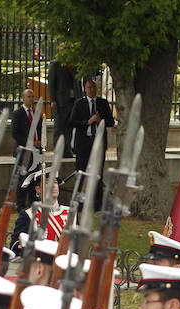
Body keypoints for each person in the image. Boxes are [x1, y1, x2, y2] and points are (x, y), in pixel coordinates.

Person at [70, 78, 114, 208]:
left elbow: (111, 122)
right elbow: (72, 121)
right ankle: (80, 204)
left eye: (94, 87)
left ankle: (97, 204)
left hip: (98, 143)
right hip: (83, 144)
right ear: (85, 89)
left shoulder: (103, 103)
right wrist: (87, 122)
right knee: (82, 174)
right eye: (89, 87)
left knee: (98, 175)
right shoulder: (79, 104)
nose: (92, 90)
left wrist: (101, 121)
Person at [47, 54, 81, 157]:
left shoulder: (75, 64)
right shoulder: (55, 64)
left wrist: (79, 97)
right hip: (61, 101)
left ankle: (67, 151)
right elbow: (51, 83)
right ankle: (58, 151)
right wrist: (53, 100)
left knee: (69, 127)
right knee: (59, 127)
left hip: (73, 100)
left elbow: (78, 82)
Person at [10, 88, 43, 159]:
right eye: (29, 96)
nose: (31, 99)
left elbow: (40, 130)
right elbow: (15, 133)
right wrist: (31, 143)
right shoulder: (17, 114)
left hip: (36, 151)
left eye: (32, 97)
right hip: (23, 151)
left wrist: (39, 142)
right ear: (23, 98)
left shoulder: (37, 114)